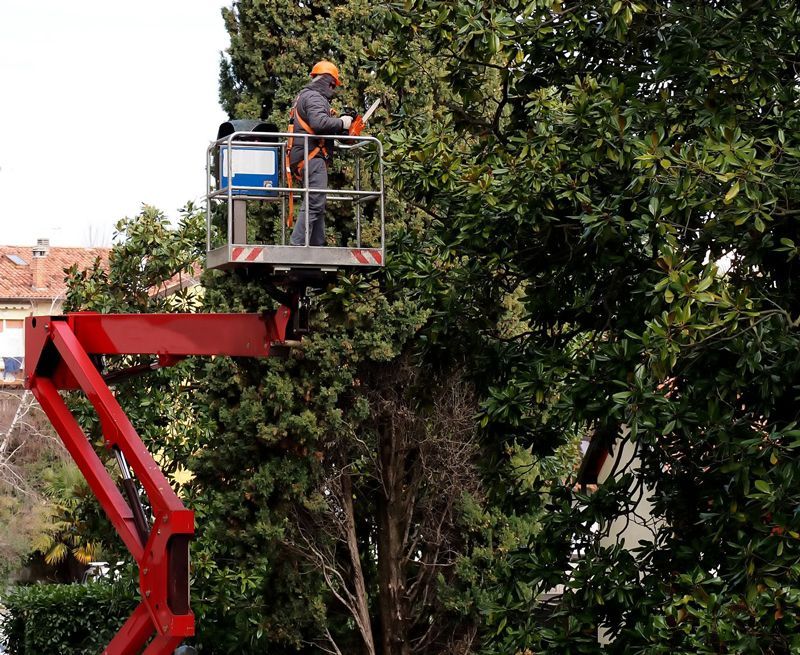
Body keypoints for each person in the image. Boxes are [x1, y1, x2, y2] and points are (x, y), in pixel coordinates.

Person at [289, 60, 352, 246]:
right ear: (327, 81)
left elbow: (318, 125)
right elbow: (318, 123)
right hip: (311, 156)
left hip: (305, 155)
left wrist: (341, 129)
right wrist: (342, 123)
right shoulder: (315, 98)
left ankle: (317, 244)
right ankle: (297, 245)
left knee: (318, 202)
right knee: (315, 201)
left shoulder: (305, 96)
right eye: (333, 85)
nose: (333, 89)